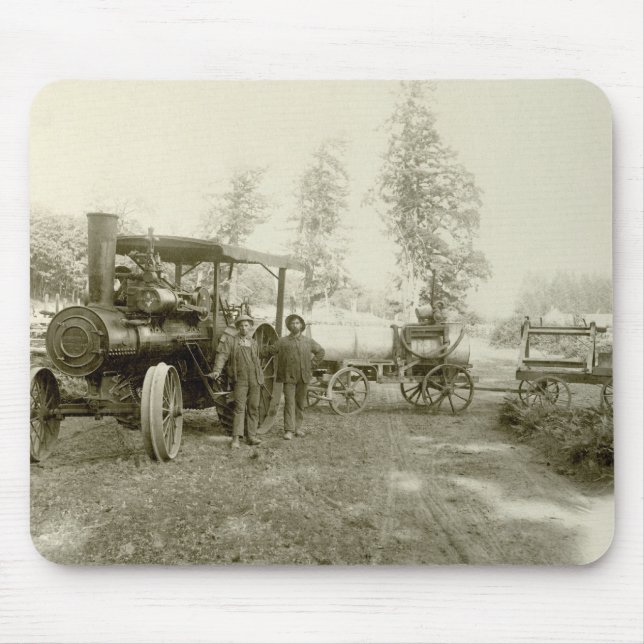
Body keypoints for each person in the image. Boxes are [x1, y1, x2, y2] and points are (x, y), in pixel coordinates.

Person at [208, 314, 264, 449]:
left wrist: (259, 377)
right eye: (241, 326)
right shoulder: (231, 341)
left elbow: (256, 361)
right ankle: (236, 439)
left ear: (250, 327)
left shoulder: (253, 342)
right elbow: (222, 356)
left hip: (255, 379)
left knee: (253, 407)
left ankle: (251, 436)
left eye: (246, 326)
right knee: (239, 408)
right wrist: (217, 370)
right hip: (240, 380)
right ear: (238, 328)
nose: (244, 328)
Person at [268, 314, 325, 440]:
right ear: (289, 326)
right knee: (289, 402)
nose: (295, 325)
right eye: (292, 323)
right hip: (288, 377)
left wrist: (312, 364)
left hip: (303, 377)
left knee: (300, 403)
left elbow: (321, 351)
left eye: (297, 323)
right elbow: (270, 350)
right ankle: (289, 430)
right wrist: (255, 347)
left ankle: (297, 428)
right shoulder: (282, 341)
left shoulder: (308, 341)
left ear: (301, 325)